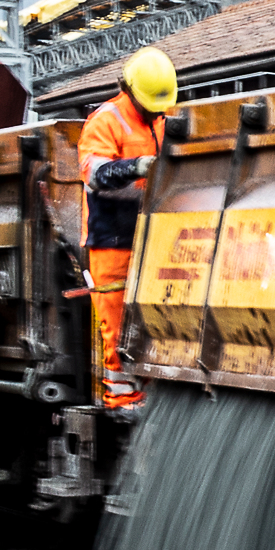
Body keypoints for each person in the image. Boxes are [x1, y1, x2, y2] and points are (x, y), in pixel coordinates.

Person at [64, 46, 178, 414]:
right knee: (115, 321)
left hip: (151, 233)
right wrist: (137, 166)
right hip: (111, 237)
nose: (156, 111)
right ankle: (121, 397)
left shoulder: (162, 118)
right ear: (128, 89)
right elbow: (95, 175)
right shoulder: (106, 120)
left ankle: (153, 391)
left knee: (155, 317)